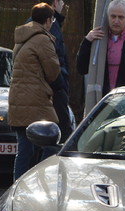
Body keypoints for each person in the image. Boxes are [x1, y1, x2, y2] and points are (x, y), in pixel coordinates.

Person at [8, 2, 61, 182]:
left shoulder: (22, 38)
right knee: (52, 142)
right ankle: (40, 181)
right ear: (48, 20)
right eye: (52, 19)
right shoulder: (42, 39)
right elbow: (53, 71)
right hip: (36, 100)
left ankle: (17, 186)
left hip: (18, 100)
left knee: (23, 149)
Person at [76, 0, 125, 96]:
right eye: (113, 16)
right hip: (102, 100)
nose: (116, 21)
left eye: (121, 17)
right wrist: (87, 41)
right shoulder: (98, 39)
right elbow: (81, 68)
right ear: (108, 16)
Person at [47, 0, 73, 143]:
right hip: (55, 90)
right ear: (56, 2)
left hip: (53, 89)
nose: (63, 5)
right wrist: (61, 84)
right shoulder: (52, 25)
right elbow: (54, 60)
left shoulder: (49, 24)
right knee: (61, 136)